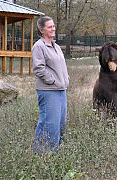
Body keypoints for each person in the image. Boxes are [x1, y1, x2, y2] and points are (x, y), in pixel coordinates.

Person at [32, 16, 69, 154]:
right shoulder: (39, 47)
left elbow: (62, 67)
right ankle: (42, 153)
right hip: (48, 91)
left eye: (53, 26)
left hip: (61, 90)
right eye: (50, 27)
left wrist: (66, 80)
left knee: (60, 123)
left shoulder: (57, 47)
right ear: (42, 30)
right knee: (49, 123)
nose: (53, 28)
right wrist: (53, 81)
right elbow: (39, 69)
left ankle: (56, 151)